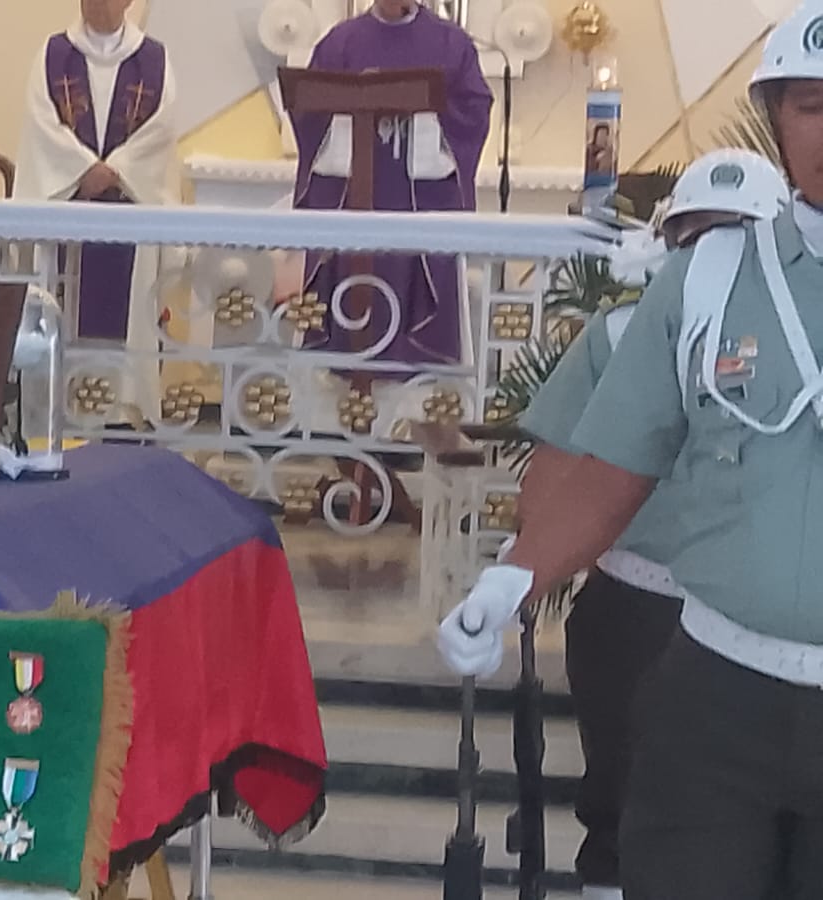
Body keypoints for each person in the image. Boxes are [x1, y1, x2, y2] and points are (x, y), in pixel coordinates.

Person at [437, 3, 823, 895]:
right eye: (808, 103)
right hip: (723, 696)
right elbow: (618, 459)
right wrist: (517, 577)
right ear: (776, 119)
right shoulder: (712, 275)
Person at [499, 148, 787, 900]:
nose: (713, 250)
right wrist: (524, 569)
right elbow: (559, 469)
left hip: (756, 622)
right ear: (670, 241)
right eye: (697, 234)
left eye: (734, 231)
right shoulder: (625, 332)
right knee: (623, 799)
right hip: (639, 603)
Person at [288, 0, 492, 364]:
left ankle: (416, 387)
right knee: (351, 291)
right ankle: (344, 385)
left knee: (410, 279)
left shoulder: (450, 44)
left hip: (416, 198)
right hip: (352, 202)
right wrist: (355, 106)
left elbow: (473, 107)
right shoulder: (340, 42)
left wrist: (424, 115)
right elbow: (308, 106)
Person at [14, 0, 178, 422]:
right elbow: (41, 124)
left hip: (129, 212)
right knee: (64, 310)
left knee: (126, 319)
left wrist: (117, 170)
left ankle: (124, 410)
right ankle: (54, 409)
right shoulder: (53, 55)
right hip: (69, 214)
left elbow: (162, 129)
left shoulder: (154, 59)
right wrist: (82, 169)